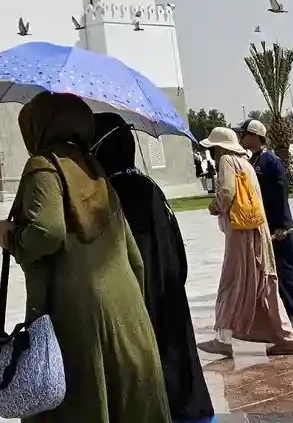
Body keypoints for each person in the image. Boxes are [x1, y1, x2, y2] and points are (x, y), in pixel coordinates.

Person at [0, 93, 166, 423]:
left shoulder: (43, 166)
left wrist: (10, 236)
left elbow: (47, 232)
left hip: (75, 317)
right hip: (126, 312)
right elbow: (134, 256)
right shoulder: (96, 170)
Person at [92, 113, 212, 422]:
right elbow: (179, 253)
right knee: (181, 379)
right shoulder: (150, 187)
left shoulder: (112, 196)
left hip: (141, 310)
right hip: (170, 299)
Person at [199, 125, 293, 356]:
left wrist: (214, 206)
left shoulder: (226, 162)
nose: (212, 154)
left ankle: (223, 339)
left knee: (231, 283)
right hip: (256, 231)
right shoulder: (246, 163)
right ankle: (286, 339)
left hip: (242, 234)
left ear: (219, 148)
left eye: (213, 148)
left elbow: (226, 194)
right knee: (263, 286)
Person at [238, 118, 293, 328]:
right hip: (264, 222)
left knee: (291, 266)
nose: (242, 138)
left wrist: (283, 225)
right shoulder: (253, 161)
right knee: (278, 269)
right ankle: (289, 308)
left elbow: (280, 194)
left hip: (279, 224)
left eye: (245, 134)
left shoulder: (271, 162)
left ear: (256, 136)